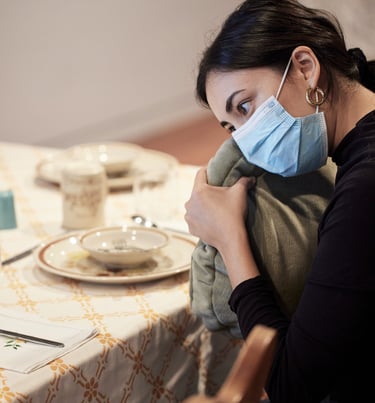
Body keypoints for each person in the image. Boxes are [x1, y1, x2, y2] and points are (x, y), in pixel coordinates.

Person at [184, 1, 375, 402]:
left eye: (246, 106)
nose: (244, 139)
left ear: (305, 67)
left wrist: (230, 239)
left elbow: (292, 384)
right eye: (231, 126)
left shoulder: (363, 190)